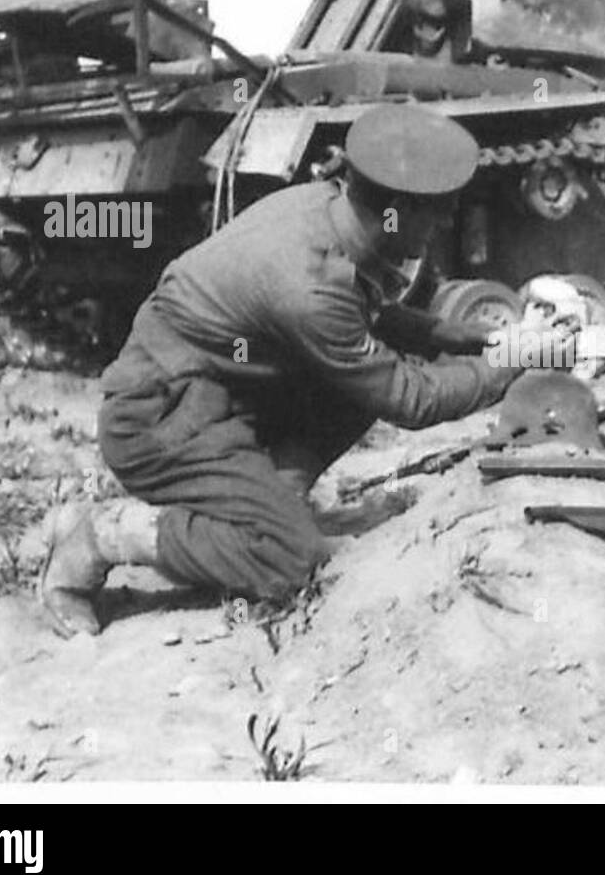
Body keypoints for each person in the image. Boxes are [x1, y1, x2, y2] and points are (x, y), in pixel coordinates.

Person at [39, 104, 543, 637]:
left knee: (353, 386)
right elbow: (409, 399)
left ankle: (268, 509)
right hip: (158, 426)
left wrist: (455, 334)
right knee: (293, 563)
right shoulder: (306, 283)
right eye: (438, 212)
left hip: (214, 394)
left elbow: (362, 313)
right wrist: (509, 363)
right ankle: (101, 535)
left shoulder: (327, 208)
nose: (444, 224)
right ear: (396, 209)